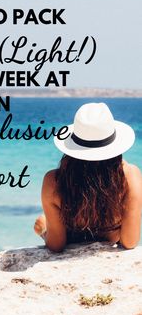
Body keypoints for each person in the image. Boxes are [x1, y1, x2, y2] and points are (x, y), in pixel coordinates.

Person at [34, 102, 142, 251]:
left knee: (40, 222)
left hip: (71, 238)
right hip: (110, 238)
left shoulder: (53, 181)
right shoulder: (130, 176)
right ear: (115, 146)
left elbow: (56, 245)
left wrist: (43, 232)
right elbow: (130, 242)